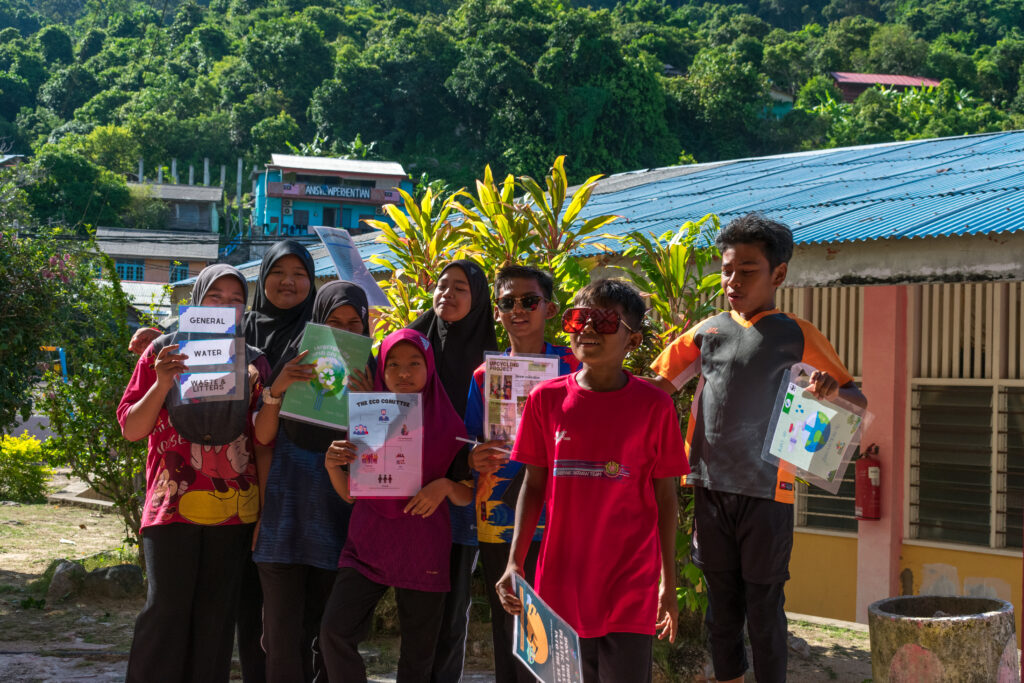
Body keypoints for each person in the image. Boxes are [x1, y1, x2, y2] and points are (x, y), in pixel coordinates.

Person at [647, 214, 867, 683]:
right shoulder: (707, 332)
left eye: (747, 270)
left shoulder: (798, 334)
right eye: (727, 269)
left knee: (765, 610)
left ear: (778, 274)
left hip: (770, 492)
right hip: (708, 486)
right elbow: (656, 388)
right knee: (720, 611)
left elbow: (856, 399)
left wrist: (831, 391)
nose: (733, 280)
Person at [496, 279, 688, 683]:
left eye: (604, 322)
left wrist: (667, 585)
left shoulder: (655, 406)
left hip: (631, 584)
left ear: (632, 341)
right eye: (580, 319)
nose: (587, 330)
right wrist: (515, 561)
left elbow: (666, 499)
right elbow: (533, 486)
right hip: (560, 583)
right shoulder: (545, 400)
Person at [117, 264, 269, 683]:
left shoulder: (255, 364)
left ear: (246, 310)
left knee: (216, 619)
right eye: (214, 297)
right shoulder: (161, 352)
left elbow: (262, 441)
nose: (224, 306)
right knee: (165, 611)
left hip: (236, 508)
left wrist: (267, 511)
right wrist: (164, 382)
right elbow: (132, 429)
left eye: (235, 299)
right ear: (197, 301)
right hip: (171, 505)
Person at [319, 329, 473, 682]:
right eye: (394, 365)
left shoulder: (451, 426)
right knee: (334, 632)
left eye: (414, 363)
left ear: (429, 368)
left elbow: (468, 493)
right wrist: (331, 466)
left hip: (423, 549)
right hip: (367, 544)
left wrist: (446, 486)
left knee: (419, 656)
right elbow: (350, 494)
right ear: (381, 371)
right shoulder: (369, 417)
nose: (404, 373)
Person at [251, 281, 375, 682]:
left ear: (365, 327)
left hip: (338, 521)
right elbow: (264, 438)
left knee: (330, 638)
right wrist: (277, 389)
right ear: (316, 322)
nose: (342, 331)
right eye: (332, 321)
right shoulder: (296, 362)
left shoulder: (374, 376)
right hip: (283, 523)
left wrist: (371, 403)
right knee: (282, 640)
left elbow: (376, 456)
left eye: (353, 323)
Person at [465, 265, 579, 683]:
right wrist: (473, 458)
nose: (518, 309)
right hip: (499, 516)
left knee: (557, 633)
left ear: (548, 308)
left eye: (529, 300)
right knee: (508, 629)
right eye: (507, 302)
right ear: (496, 312)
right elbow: (468, 441)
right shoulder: (483, 376)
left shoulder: (575, 365)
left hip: (562, 515)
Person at [408, 260, 498, 682]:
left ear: (478, 298)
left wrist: (460, 468)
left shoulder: (495, 361)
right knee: (414, 604)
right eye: (442, 285)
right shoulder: (413, 344)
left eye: (460, 287)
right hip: (407, 488)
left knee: (451, 605)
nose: (447, 293)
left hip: (462, 496)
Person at [241, 239, 318, 682]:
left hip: (293, 483)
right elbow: (193, 346)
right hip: (230, 476)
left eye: (300, 273)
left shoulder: (319, 335)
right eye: (278, 271)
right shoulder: (240, 328)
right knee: (247, 606)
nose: (289, 281)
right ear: (263, 276)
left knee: (293, 610)